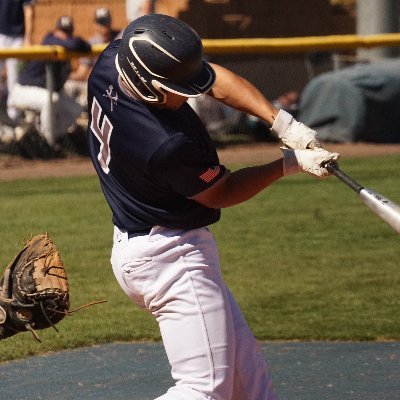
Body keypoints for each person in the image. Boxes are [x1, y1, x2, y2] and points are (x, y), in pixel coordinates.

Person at [87, 14, 339, 400]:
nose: (189, 96)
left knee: (248, 382)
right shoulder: (163, 144)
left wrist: (282, 123)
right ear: (148, 87)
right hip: (170, 257)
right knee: (204, 390)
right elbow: (221, 191)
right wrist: (288, 164)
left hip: (146, 244)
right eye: (176, 89)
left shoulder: (113, 62)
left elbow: (213, 78)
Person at [8, 16, 91, 147]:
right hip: (23, 90)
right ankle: (46, 141)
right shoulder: (49, 39)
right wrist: (73, 41)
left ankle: (51, 135)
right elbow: (74, 44)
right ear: (56, 30)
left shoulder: (64, 48)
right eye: (62, 31)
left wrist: (74, 41)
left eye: (68, 32)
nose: (65, 35)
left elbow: (87, 47)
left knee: (75, 109)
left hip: (45, 91)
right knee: (50, 100)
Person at [65, 7, 120, 108]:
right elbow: (82, 73)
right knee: (68, 86)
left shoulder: (119, 38)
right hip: (92, 83)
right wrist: (64, 76)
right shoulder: (91, 43)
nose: (104, 26)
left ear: (111, 22)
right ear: (95, 25)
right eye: (101, 23)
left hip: (112, 86)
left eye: (106, 22)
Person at [0, 0, 35, 121]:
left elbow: (29, 11)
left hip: (17, 37)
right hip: (1, 34)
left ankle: (13, 116)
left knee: (13, 78)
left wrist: (28, 38)